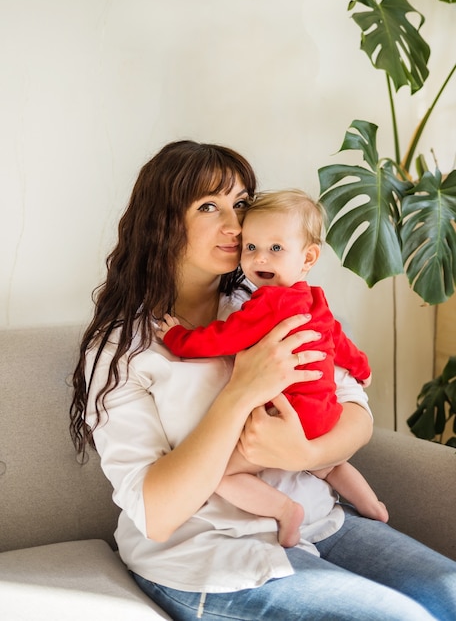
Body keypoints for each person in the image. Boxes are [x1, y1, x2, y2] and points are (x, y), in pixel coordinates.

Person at [70, 140, 456, 620]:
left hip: (320, 523)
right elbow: (158, 513)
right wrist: (242, 391)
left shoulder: (271, 302)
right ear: (162, 221)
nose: (235, 225)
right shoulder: (122, 350)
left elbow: (354, 409)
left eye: (241, 204)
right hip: (207, 556)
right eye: (209, 205)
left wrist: (309, 455)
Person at [157, 188, 388, 547]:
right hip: (325, 415)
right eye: (251, 247)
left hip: (287, 418)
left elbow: (222, 337)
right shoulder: (316, 299)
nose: (260, 257)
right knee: (330, 465)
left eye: (275, 248)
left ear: (308, 256)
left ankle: (284, 511)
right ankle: (372, 505)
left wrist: (177, 338)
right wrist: (362, 367)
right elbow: (339, 341)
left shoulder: (266, 305)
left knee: (220, 476)